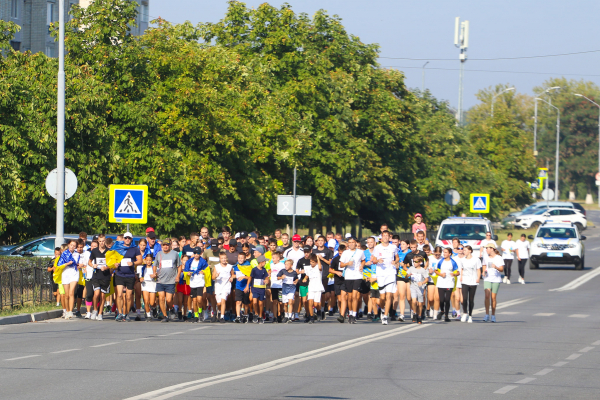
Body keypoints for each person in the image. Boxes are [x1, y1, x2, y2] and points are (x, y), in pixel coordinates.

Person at [371, 230, 399, 325]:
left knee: (389, 295)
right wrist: (377, 260)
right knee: (382, 297)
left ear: (389, 237)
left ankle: (385, 316)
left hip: (391, 273)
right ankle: (382, 309)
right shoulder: (377, 248)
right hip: (381, 274)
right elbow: (373, 260)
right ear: (382, 237)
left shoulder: (393, 247)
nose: (386, 237)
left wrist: (395, 262)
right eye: (384, 236)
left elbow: (397, 257)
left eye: (387, 236)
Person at [113, 232, 142, 322]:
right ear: (123, 239)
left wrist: (133, 263)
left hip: (130, 275)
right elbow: (112, 259)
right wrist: (115, 264)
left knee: (129, 297)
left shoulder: (135, 249)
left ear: (131, 239)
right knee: (119, 294)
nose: (127, 239)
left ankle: (126, 313)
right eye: (126, 238)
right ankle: (120, 313)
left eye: (129, 238)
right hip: (120, 274)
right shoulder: (118, 248)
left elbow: (140, 260)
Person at [154, 240, 182, 323]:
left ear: (169, 245)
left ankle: (172, 308)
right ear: (162, 246)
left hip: (170, 280)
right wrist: (154, 273)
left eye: (167, 245)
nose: (165, 246)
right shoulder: (159, 254)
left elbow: (179, 266)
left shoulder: (174, 254)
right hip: (160, 280)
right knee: (161, 299)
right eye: (164, 245)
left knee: (169, 300)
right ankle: (165, 315)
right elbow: (155, 265)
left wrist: (178, 276)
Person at [339, 237, 365, 324]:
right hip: (348, 276)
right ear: (347, 244)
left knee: (355, 296)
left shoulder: (360, 252)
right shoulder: (345, 253)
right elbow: (341, 265)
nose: (351, 244)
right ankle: (350, 313)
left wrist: (362, 266)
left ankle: (354, 315)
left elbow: (363, 260)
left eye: (353, 242)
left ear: (355, 243)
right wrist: (347, 263)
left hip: (357, 275)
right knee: (349, 297)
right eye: (349, 242)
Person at [184, 247, 209, 323]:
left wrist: (204, 272)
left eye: (198, 253)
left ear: (200, 253)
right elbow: (185, 271)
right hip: (193, 283)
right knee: (194, 301)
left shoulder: (203, 262)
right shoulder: (189, 262)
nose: (196, 254)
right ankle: (196, 315)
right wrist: (187, 273)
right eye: (195, 253)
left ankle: (200, 310)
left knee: (199, 299)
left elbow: (207, 271)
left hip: (200, 282)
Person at [435, 247, 460, 323]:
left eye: (446, 252)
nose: (444, 254)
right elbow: (435, 271)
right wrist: (441, 274)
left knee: (447, 299)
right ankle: (442, 311)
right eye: (444, 252)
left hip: (449, 283)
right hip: (441, 282)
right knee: (441, 300)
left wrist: (454, 274)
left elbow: (458, 272)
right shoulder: (440, 261)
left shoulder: (453, 262)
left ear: (450, 254)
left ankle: (446, 315)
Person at [89, 235, 110, 321]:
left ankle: (100, 313)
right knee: (96, 294)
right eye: (100, 241)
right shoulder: (94, 251)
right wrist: (93, 265)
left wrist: (106, 267)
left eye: (103, 241)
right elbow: (89, 262)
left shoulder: (109, 251)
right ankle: (95, 310)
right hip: (96, 275)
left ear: (105, 241)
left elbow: (112, 264)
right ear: (98, 241)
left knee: (102, 296)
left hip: (105, 276)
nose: (102, 243)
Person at [57, 240, 79, 320]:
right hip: (66, 273)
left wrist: (80, 265)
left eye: (74, 245)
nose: (72, 247)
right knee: (66, 295)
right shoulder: (64, 254)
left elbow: (76, 263)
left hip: (74, 273)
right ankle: (66, 310)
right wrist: (67, 263)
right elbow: (60, 264)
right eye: (71, 245)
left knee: (71, 292)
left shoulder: (76, 254)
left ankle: (70, 311)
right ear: (68, 245)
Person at [312, 236, 333, 320]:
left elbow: (329, 262)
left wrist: (321, 258)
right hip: (315, 274)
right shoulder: (314, 251)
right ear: (316, 242)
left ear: (325, 242)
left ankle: (323, 309)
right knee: (315, 292)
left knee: (322, 293)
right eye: (319, 241)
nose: (320, 242)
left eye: (322, 241)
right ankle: (316, 310)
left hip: (324, 274)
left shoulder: (328, 251)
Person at [460, 245, 481, 323]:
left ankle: (470, 315)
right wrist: (461, 277)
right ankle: (465, 313)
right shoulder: (463, 260)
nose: (463, 251)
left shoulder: (476, 260)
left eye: (465, 250)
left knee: (471, 299)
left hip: (473, 280)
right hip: (465, 280)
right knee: (464, 299)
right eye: (463, 250)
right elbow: (462, 269)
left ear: (470, 251)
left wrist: (478, 278)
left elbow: (478, 269)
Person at [483, 244, 504, 322]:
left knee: (493, 298)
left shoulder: (499, 258)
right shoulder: (486, 257)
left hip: (496, 279)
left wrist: (496, 267)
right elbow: (484, 265)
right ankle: (487, 314)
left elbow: (502, 269)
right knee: (487, 296)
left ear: (492, 249)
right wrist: (483, 271)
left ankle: (493, 315)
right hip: (487, 278)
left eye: (487, 248)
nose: (486, 250)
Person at [398, 240, 418, 322]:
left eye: (403, 244)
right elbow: (396, 263)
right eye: (401, 244)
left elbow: (415, 264)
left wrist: (406, 265)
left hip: (410, 277)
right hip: (401, 276)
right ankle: (402, 315)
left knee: (409, 298)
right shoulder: (398, 253)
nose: (402, 246)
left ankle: (413, 311)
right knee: (402, 296)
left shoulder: (411, 253)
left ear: (408, 245)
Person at [407, 255, 429, 324]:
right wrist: (408, 275)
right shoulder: (411, 268)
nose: (414, 263)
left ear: (420, 262)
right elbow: (406, 276)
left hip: (420, 288)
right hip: (413, 286)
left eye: (416, 261)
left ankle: (419, 316)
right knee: (413, 301)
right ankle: (414, 313)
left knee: (420, 304)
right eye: (413, 261)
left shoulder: (423, 270)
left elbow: (426, 279)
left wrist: (422, 283)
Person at [304, 254, 324, 324]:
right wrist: (305, 279)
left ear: (316, 262)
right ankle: (311, 317)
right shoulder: (309, 268)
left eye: (313, 262)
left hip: (318, 287)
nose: (311, 263)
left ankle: (319, 311)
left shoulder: (318, 268)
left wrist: (318, 258)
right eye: (310, 262)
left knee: (316, 304)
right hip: (311, 287)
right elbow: (307, 275)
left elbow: (320, 267)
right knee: (310, 302)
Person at [214, 252, 234, 323]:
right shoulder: (216, 266)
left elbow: (233, 275)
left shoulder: (230, 266)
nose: (223, 260)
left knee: (223, 300)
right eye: (222, 258)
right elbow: (213, 277)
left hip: (226, 286)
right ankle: (220, 311)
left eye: (225, 258)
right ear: (220, 259)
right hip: (218, 287)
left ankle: (222, 317)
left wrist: (232, 277)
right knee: (219, 303)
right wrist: (216, 275)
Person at [233, 252, 252, 323]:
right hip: (238, 286)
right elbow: (234, 274)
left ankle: (245, 314)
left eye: (242, 258)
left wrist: (244, 278)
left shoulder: (248, 266)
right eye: (239, 258)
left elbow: (250, 277)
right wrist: (232, 277)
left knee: (246, 302)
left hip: (246, 286)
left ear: (245, 258)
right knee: (238, 301)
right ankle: (238, 316)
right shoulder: (235, 266)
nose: (240, 259)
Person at [251, 255, 270, 324]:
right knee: (255, 302)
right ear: (261, 262)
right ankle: (256, 314)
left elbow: (266, 277)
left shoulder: (264, 270)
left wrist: (267, 280)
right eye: (265, 262)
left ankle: (260, 316)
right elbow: (251, 278)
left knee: (261, 303)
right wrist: (249, 286)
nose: (265, 263)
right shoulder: (254, 270)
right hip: (255, 288)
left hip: (261, 288)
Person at [295, 246, 312, 321]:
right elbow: (297, 271)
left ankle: (311, 313)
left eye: (308, 252)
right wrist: (300, 272)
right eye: (305, 252)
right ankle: (307, 314)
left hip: (310, 282)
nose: (306, 254)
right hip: (302, 282)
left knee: (309, 300)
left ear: (310, 251)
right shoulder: (301, 261)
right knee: (304, 301)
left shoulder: (312, 260)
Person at [330, 243, 346, 322]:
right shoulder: (336, 259)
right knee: (339, 299)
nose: (341, 255)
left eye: (342, 253)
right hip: (337, 280)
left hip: (345, 280)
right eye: (339, 253)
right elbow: (330, 269)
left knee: (343, 298)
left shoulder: (347, 259)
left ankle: (342, 315)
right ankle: (341, 312)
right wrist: (336, 272)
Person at [269, 249, 286, 323]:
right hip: (273, 285)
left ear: (278, 258)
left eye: (274, 258)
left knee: (281, 302)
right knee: (274, 301)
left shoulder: (282, 265)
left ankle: (281, 313)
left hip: (280, 285)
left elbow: (284, 274)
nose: (272, 259)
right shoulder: (271, 264)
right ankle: (275, 316)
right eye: (272, 258)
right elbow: (269, 271)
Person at [427, 246, 442, 319]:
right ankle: (432, 308)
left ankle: (435, 313)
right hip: (431, 279)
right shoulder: (430, 258)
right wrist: (428, 270)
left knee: (437, 297)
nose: (437, 256)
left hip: (439, 280)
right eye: (436, 254)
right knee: (430, 299)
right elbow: (426, 267)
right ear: (434, 252)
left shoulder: (442, 259)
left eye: (439, 254)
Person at [140, 253, 157, 321]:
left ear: (152, 260)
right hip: (145, 284)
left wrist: (155, 276)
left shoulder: (154, 267)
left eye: (150, 260)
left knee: (152, 302)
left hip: (153, 284)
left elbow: (157, 275)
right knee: (146, 301)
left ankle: (154, 307)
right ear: (145, 260)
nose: (148, 261)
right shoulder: (143, 268)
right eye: (147, 260)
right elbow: (140, 277)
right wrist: (141, 279)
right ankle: (148, 315)